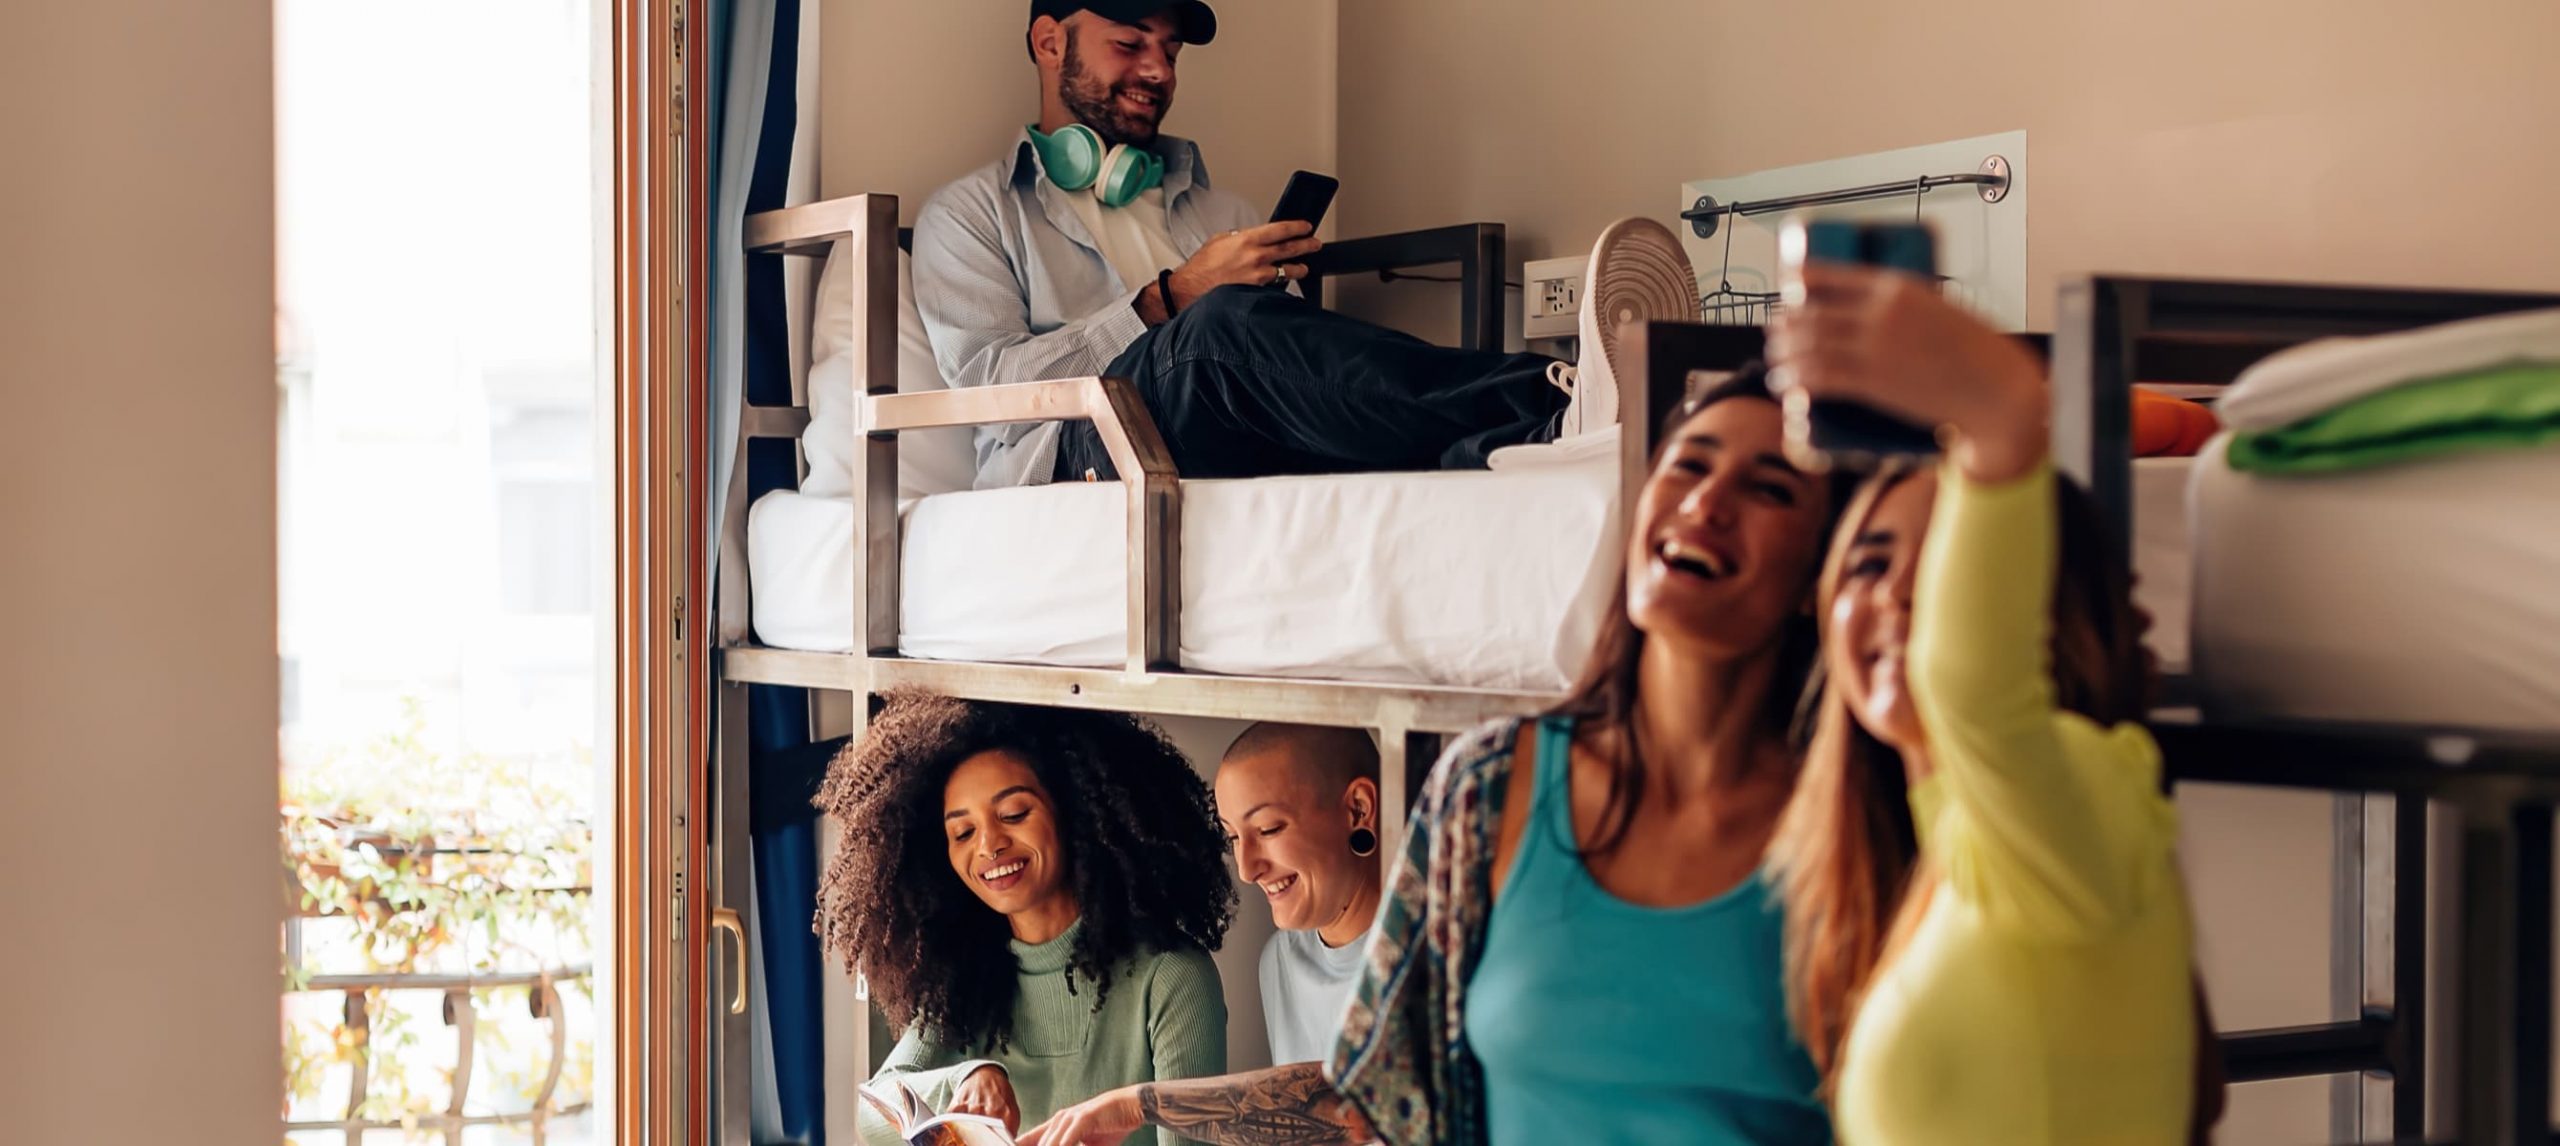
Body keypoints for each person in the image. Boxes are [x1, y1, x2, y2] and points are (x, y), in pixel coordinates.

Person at [1022, 367, 1851, 1146]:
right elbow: (1374, 1093)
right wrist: (1135, 1108)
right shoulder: (1490, 788)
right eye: (1689, 465)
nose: (1707, 502)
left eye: (1769, 487)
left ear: (1822, 560)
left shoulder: (1851, 821)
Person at [1763, 264, 2217, 1143]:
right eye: (1868, 563)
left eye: (1943, 560)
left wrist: (2001, 420)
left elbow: (1976, 688)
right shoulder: (1942, 850)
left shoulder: (2085, 794)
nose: (1898, 594)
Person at [911, 0, 1701, 488]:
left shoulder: (1215, 206)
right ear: (1050, 44)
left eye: (1172, 52)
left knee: (1272, 354)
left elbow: (1302, 371)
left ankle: (1526, 441)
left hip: (1218, 426)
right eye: (1130, 43)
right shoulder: (974, 213)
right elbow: (985, 387)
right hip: (1076, 454)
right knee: (1211, 332)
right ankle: (1558, 401)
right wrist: (1172, 299)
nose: (1159, 69)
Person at [814, 693, 1236, 1145]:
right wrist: (968, 1077)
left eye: (1013, 814)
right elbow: (872, 1113)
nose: (989, 845)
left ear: (1073, 812)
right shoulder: (969, 982)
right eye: (963, 832)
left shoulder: (1171, 977)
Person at [1214, 723, 1386, 1066]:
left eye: (1268, 829)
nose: (1247, 871)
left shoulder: (1438, 953)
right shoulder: (1279, 961)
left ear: (1359, 810)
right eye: (1233, 837)